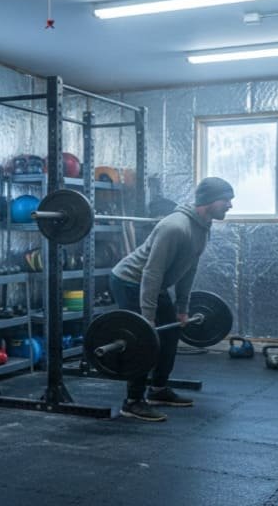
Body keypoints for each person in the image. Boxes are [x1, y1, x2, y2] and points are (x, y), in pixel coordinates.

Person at [109, 177, 234, 422]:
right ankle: (133, 401)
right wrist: (146, 319)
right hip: (130, 281)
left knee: (170, 333)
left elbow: (190, 268)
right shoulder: (175, 227)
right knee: (142, 340)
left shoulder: (202, 226)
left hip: (153, 284)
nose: (230, 205)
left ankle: (158, 390)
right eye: (226, 200)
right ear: (209, 201)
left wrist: (182, 308)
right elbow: (151, 273)